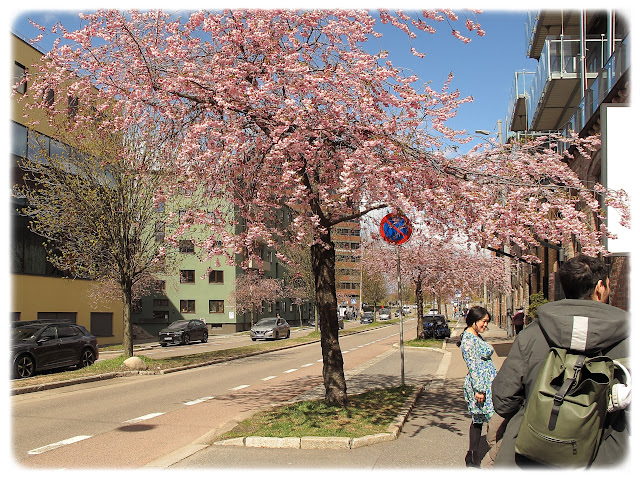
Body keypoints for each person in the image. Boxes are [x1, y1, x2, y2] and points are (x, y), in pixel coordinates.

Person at [491, 254, 629, 467]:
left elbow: (502, 400)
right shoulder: (629, 342)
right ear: (600, 287)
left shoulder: (532, 334)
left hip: (530, 456)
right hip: (606, 460)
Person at [458, 305, 498, 468]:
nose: (486, 325)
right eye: (483, 321)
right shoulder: (468, 339)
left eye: (487, 322)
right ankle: (483, 456)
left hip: (485, 384)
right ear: (474, 321)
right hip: (479, 386)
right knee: (490, 419)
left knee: (478, 419)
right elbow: (473, 365)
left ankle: (472, 457)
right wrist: (479, 390)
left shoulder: (475, 336)